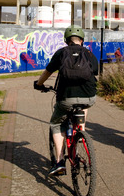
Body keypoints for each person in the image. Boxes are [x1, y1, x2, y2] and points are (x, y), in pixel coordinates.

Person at [34, 25, 98, 176]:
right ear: (82, 40)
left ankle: (59, 161)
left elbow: (47, 72)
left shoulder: (61, 53)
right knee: (84, 103)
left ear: (66, 41)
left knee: (56, 123)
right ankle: (81, 129)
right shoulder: (89, 53)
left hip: (66, 98)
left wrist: (39, 84)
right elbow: (95, 71)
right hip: (89, 96)